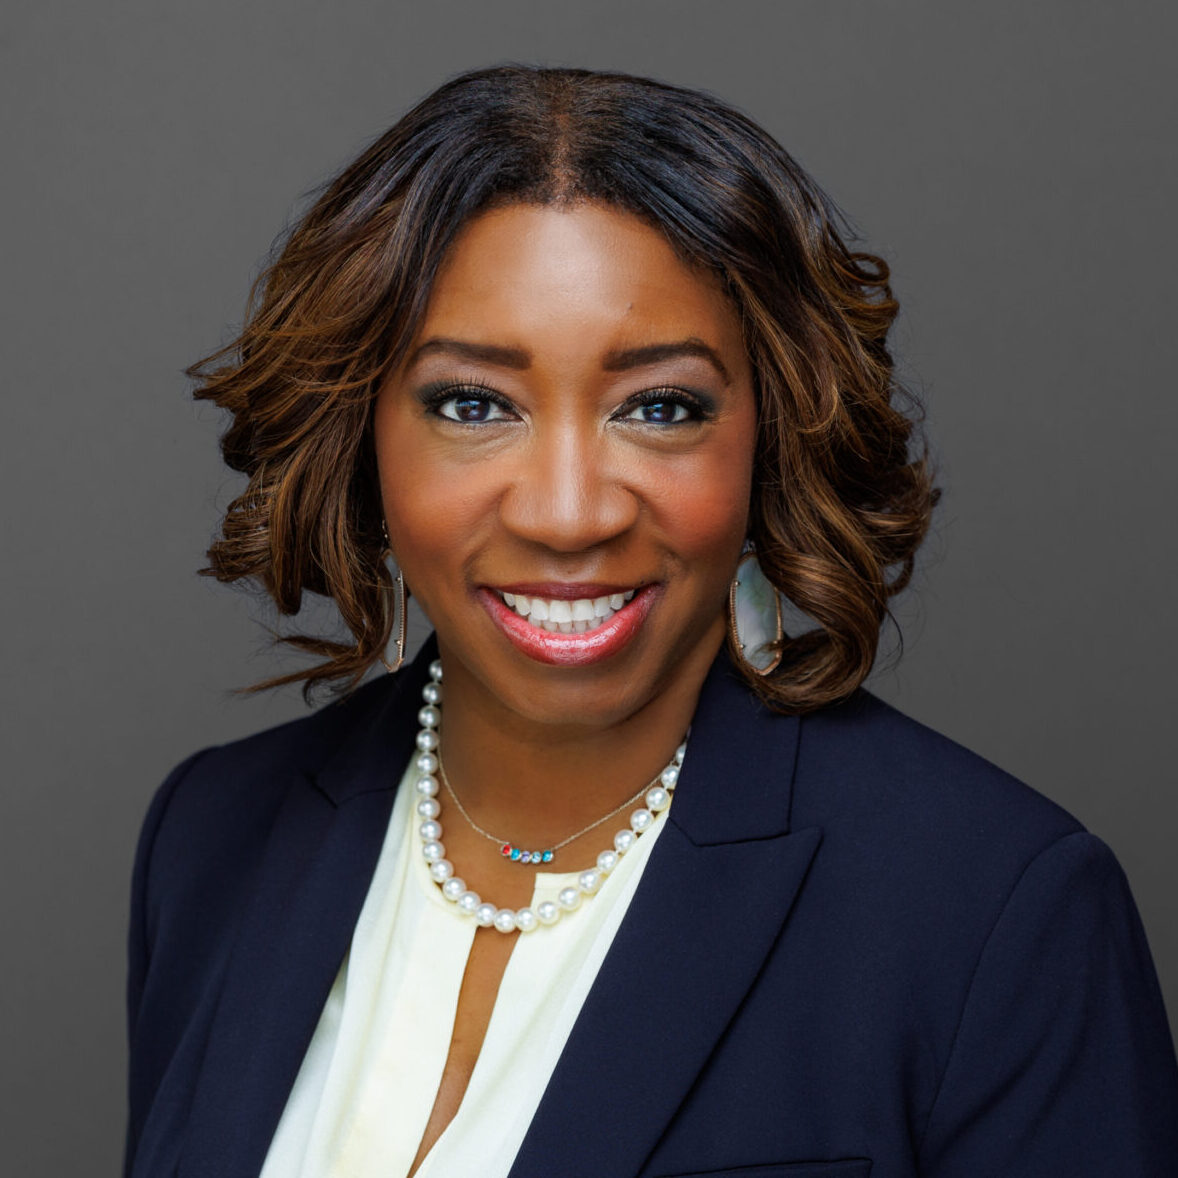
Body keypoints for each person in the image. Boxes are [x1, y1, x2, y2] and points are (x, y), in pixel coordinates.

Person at [124, 66, 1178, 1178]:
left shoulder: (996, 908)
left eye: (660, 407)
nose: (567, 513)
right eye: (473, 404)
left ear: (770, 439)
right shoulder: (211, 839)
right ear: (360, 437)